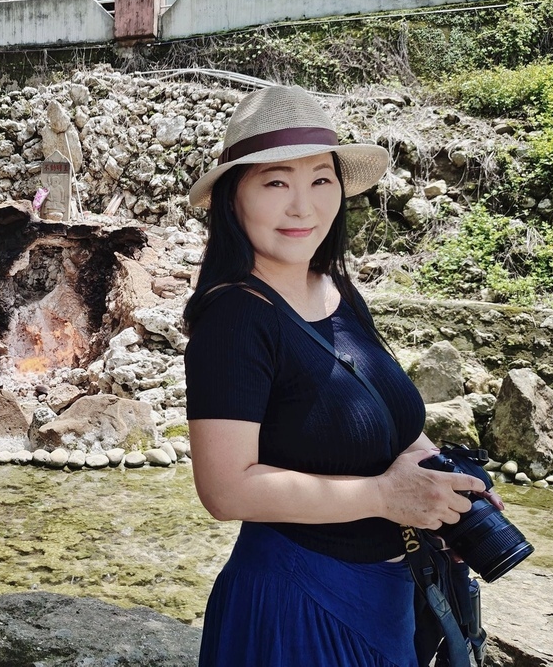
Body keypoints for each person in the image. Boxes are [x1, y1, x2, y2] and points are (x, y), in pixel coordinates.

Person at [183, 85, 500, 666]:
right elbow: (225, 490)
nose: (303, 207)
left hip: (389, 592)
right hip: (296, 606)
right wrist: (387, 496)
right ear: (233, 199)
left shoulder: (334, 288)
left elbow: (387, 419)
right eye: (276, 182)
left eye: (320, 180)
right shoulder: (234, 319)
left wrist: (442, 491)